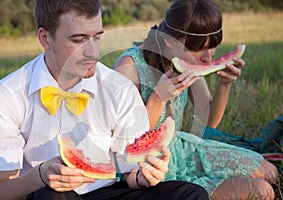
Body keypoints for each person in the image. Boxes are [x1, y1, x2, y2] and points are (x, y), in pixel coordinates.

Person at [0, 0, 209, 199]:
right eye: (79, 39)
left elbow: (131, 174)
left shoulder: (118, 88)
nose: (92, 52)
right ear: (45, 38)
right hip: (46, 193)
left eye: (97, 37)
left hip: (108, 191)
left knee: (191, 193)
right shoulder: (7, 96)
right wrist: (40, 176)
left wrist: (144, 176)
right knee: (52, 196)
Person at [113, 0, 279, 199]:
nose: (208, 58)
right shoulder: (129, 68)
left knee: (271, 173)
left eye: (213, 47)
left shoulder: (186, 62)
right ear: (170, 41)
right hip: (151, 169)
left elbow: (210, 121)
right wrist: (157, 99)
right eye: (200, 49)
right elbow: (126, 144)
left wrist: (224, 85)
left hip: (182, 149)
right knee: (263, 192)